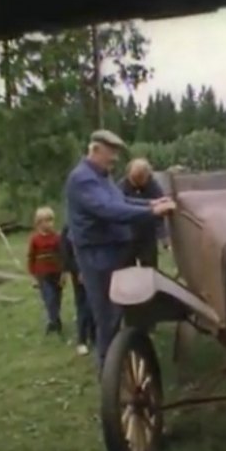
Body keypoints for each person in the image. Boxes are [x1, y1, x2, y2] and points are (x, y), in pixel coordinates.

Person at [65, 129, 176, 371]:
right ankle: (109, 375)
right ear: (95, 150)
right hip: (98, 255)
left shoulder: (101, 176)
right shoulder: (83, 179)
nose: (114, 159)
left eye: (116, 154)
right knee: (107, 316)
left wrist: (151, 202)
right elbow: (109, 210)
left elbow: (121, 201)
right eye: (110, 154)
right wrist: (151, 212)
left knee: (117, 312)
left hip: (112, 251)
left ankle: (118, 363)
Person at [117, 158, 169, 268]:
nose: (137, 183)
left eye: (141, 179)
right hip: (127, 235)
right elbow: (118, 208)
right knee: (126, 270)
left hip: (147, 235)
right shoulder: (121, 187)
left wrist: (163, 236)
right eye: (134, 179)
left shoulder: (153, 186)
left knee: (150, 269)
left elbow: (160, 212)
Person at [27, 206, 65, 335]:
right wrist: (33, 276)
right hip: (42, 274)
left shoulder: (57, 238)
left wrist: (64, 273)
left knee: (57, 298)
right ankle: (53, 321)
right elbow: (31, 257)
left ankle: (55, 319)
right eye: (45, 221)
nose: (49, 223)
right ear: (38, 223)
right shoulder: (35, 239)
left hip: (56, 272)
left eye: (51, 220)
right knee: (49, 298)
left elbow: (63, 255)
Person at [60, 224, 95, 356]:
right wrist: (77, 270)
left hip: (94, 268)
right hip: (79, 271)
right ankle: (82, 340)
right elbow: (66, 251)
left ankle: (94, 335)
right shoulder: (70, 227)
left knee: (94, 304)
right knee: (83, 305)